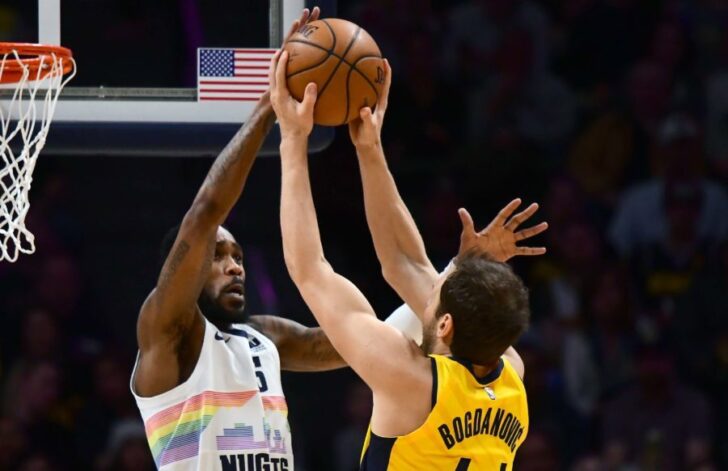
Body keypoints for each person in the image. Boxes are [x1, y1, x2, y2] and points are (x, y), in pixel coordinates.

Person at [271, 49, 547, 469]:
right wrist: (369, 148)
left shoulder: (408, 379)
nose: (434, 277)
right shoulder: (512, 373)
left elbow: (310, 270)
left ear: (447, 323)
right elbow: (404, 264)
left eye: (441, 284)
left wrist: (292, 139)